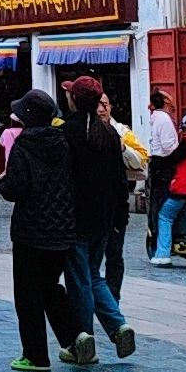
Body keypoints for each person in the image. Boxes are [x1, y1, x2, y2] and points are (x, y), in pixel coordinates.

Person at [0, 89, 95, 370]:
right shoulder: (63, 142)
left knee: (27, 294)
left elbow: (16, 188)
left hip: (31, 230)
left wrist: (2, 182)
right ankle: (76, 336)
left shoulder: (24, 145)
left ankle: (35, 355)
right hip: (62, 229)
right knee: (50, 287)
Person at [62, 78, 137, 354]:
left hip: (75, 218)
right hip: (104, 219)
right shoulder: (110, 134)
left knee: (79, 278)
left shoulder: (67, 133)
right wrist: (120, 217)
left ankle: (83, 337)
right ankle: (118, 326)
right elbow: (120, 181)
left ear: (73, 100)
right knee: (93, 274)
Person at [150, 113, 186, 263]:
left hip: (185, 189)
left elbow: (173, 158)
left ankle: (162, 254)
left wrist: (156, 163)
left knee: (165, 215)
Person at [143, 89, 181, 248]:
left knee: (158, 202)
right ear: (165, 102)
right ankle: (161, 241)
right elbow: (168, 147)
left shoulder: (158, 118)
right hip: (164, 164)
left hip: (158, 163)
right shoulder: (164, 119)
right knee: (163, 203)